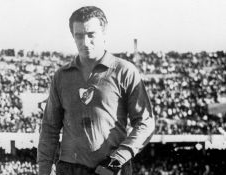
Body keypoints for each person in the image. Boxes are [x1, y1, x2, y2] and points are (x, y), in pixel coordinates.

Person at [38, 6, 155, 175]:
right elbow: (50, 128)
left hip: (111, 168)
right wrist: (43, 171)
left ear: (104, 33)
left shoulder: (124, 71)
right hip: (69, 168)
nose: (85, 42)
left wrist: (116, 161)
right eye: (79, 36)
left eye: (91, 34)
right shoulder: (61, 76)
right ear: (73, 36)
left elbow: (146, 122)